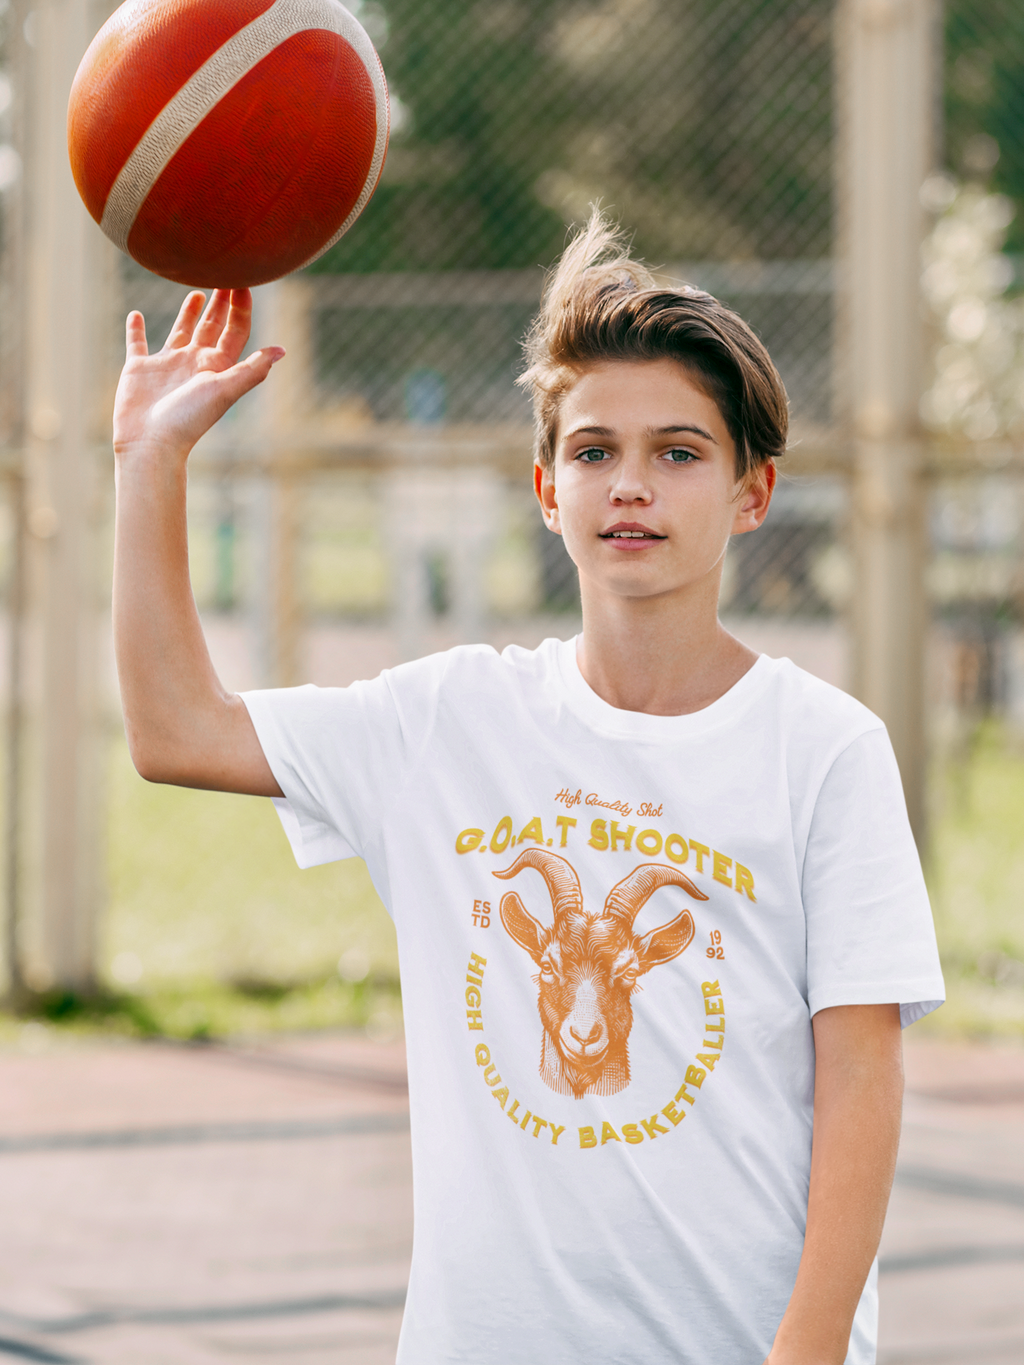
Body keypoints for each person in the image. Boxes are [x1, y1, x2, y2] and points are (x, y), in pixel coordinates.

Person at [112, 212, 944, 1365]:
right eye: (596, 451)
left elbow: (861, 1075)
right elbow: (175, 729)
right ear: (548, 490)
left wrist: (804, 1354)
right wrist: (148, 462)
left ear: (752, 495)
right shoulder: (446, 722)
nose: (631, 486)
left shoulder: (824, 749)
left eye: (679, 452)